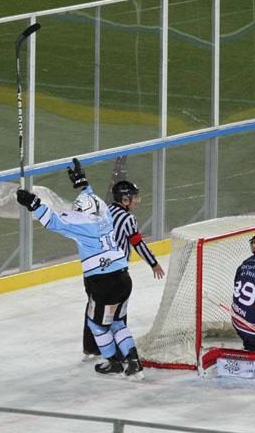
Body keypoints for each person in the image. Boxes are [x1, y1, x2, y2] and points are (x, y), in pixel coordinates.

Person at [16, 161, 144, 380]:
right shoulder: (105, 213)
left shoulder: (80, 222)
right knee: (117, 322)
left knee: (96, 324)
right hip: (123, 277)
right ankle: (133, 362)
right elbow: (91, 197)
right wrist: (82, 183)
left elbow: (54, 221)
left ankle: (113, 362)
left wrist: (33, 203)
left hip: (103, 282)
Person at [80, 174, 165, 359]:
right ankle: (118, 350)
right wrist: (154, 263)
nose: (136, 201)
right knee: (117, 314)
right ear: (125, 199)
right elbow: (138, 244)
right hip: (114, 274)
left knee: (93, 308)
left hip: (92, 273)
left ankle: (91, 347)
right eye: (133, 197)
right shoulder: (127, 219)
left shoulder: (104, 212)